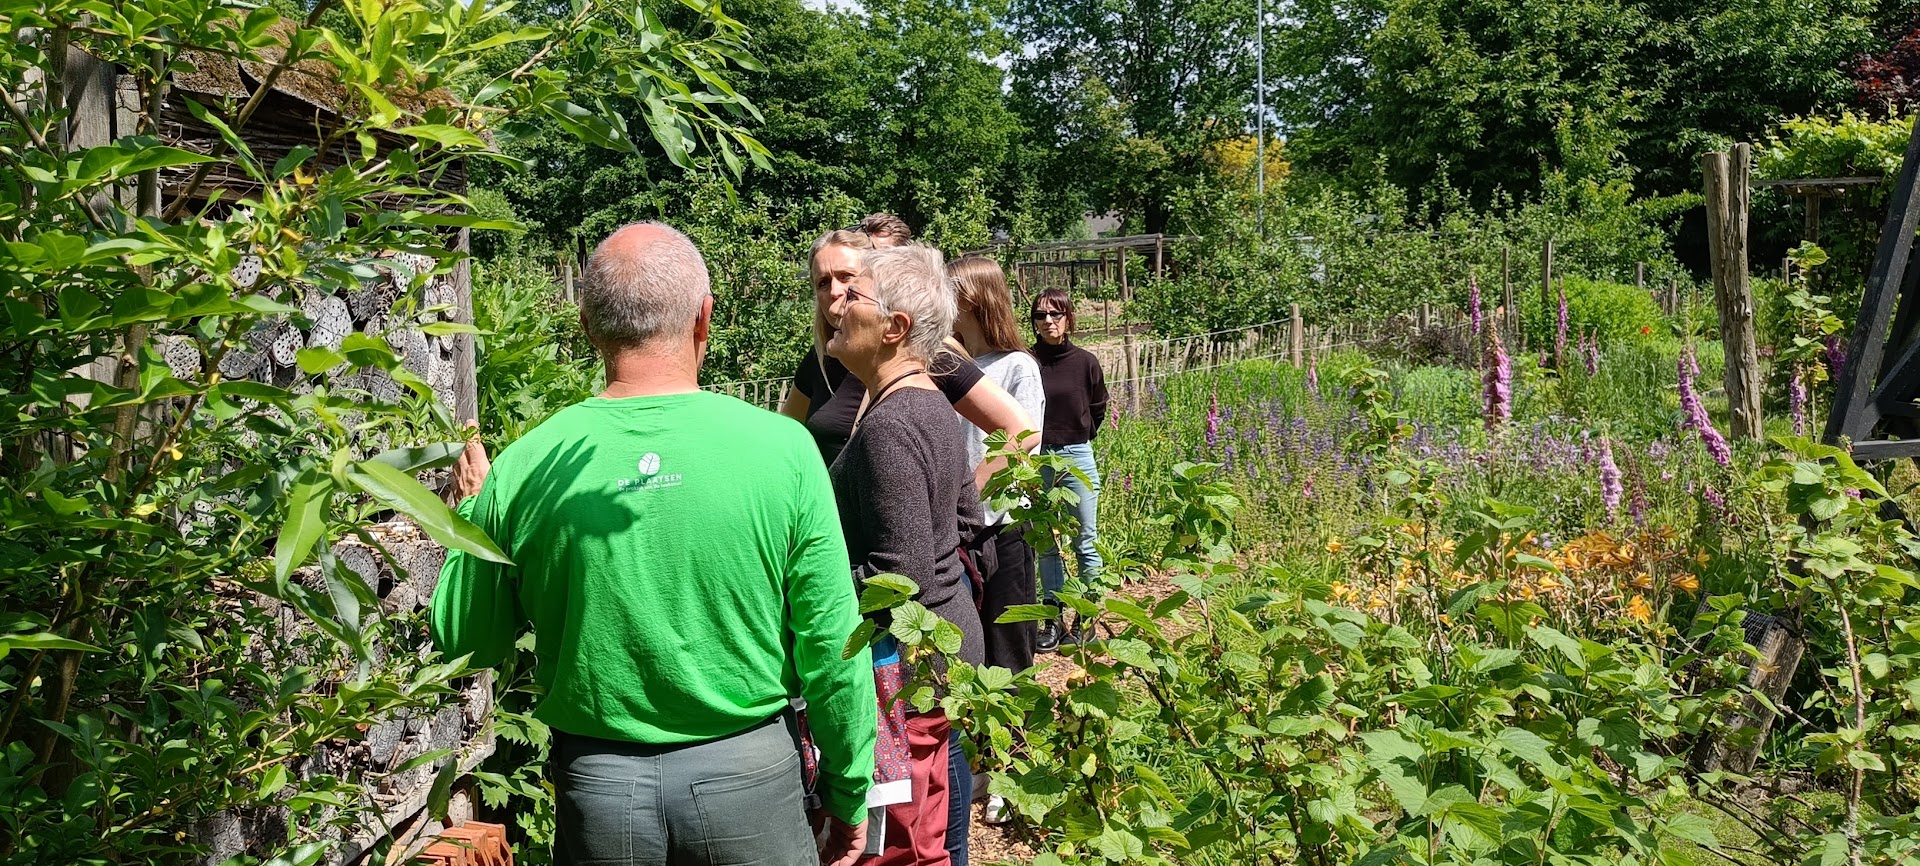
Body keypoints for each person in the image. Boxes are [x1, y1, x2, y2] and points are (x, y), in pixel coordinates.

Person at [430, 222, 875, 866]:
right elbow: (833, 642)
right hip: (749, 778)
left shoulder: (526, 466)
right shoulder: (784, 449)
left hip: (600, 787)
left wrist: (469, 513)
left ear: (587, 324)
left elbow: (469, 640)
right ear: (704, 317)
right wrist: (847, 787)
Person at [826, 243, 984, 866]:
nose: (836, 302)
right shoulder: (931, 406)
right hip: (946, 647)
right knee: (942, 831)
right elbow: (966, 522)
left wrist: (810, 588)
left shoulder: (892, 425)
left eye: (854, 294)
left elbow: (902, 574)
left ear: (894, 329)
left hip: (911, 669)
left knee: (910, 844)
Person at [947, 255, 1045, 827]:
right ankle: (981, 761)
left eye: (951, 293)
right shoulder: (950, 363)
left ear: (977, 297)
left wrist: (968, 495)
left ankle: (1014, 769)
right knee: (970, 649)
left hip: (1003, 525)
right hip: (963, 529)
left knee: (1009, 649)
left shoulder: (1016, 366)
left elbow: (1022, 440)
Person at [1030, 288, 1109, 652]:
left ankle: (1086, 615)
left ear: (1069, 319)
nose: (1048, 321)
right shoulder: (1027, 362)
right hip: (1038, 458)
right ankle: (1053, 616)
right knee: (1046, 544)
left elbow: (1098, 407)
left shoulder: (1086, 362)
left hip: (1077, 456)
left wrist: (1078, 435)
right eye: (1040, 315)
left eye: (1055, 314)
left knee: (1084, 541)